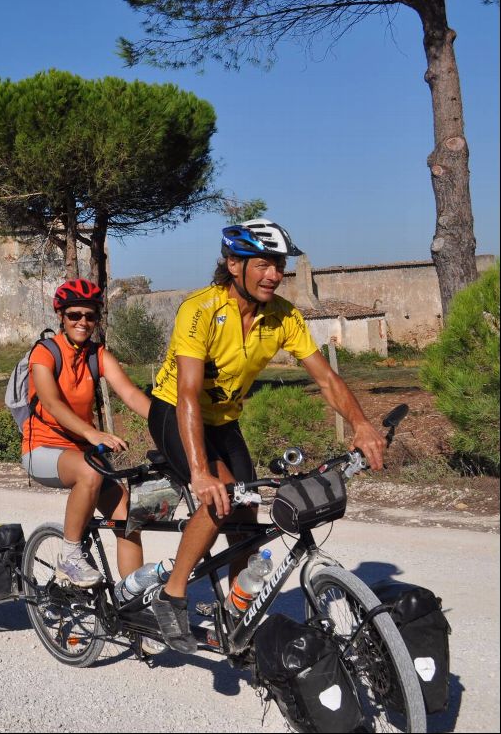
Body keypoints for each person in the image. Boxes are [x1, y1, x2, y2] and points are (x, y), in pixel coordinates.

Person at [146, 219, 387, 653]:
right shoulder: (199, 310)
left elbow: (327, 379)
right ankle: (173, 593)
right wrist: (200, 473)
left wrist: (361, 423)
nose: (275, 274)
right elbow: (186, 393)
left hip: (225, 418)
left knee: (246, 515)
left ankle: (238, 607)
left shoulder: (282, 316)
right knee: (219, 496)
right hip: (175, 412)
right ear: (234, 264)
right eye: (264, 264)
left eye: (279, 264)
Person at [21, 278, 152, 588]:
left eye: (90, 316)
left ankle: (132, 600)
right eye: (74, 315)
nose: (83, 322)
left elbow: (131, 395)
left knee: (127, 520)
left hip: (83, 453)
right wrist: (91, 433)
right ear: (61, 318)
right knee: (90, 474)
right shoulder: (45, 352)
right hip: (41, 450)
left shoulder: (97, 355)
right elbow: (51, 402)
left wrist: (170, 424)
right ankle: (69, 556)